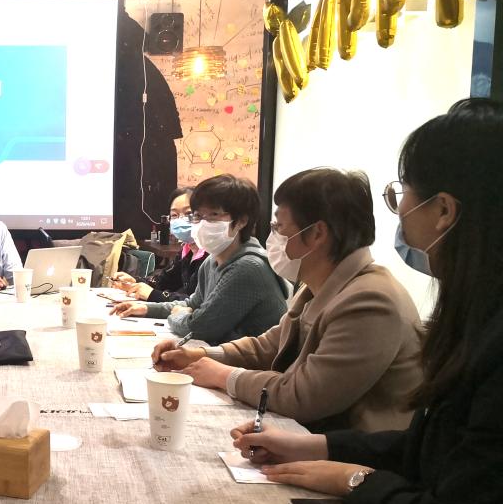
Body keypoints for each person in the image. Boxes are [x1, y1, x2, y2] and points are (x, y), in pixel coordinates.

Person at [231, 99, 503, 504]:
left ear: (444, 210)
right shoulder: (473, 314)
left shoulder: (375, 298)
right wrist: (317, 447)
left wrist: (350, 478)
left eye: (401, 194)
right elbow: (431, 446)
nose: (400, 211)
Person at [153, 169, 422, 432]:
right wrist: (200, 355)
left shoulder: (370, 301)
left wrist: (223, 375)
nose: (273, 238)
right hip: (310, 434)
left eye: (279, 227)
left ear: (317, 234)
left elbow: (305, 395)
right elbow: (269, 345)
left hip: (346, 449)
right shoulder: (321, 286)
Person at [112, 174, 287, 345]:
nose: (203, 223)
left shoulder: (248, 267)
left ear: (241, 221)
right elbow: (193, 303)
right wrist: (147, 309)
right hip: (222, 354)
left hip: (252, 362)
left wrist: (178, 313)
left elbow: (199, 327)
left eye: (214, 214)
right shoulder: (212, 261)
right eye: (197, 216)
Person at [111, 187, 207, 302]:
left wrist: (153, 295)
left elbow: (199, 302)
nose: (180, 220)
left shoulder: (212, 256)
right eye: (174, 215)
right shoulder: (186, 252)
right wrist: (135, 282)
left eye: (188, 213)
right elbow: (163, 281)